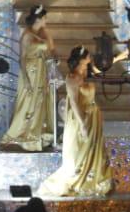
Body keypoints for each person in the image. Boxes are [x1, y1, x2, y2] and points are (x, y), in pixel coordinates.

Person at [36, 46, 115, 197]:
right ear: (81, 59)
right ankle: (76, 180)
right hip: (80, 117)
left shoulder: (88, 72)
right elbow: (73, 102)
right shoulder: (72, 78)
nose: (90, 57)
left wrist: (121, 57)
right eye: (87, 55)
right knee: (78, 151)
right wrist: (83, 123)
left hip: (93, 117)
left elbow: (104, 69)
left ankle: (94, 178)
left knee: (94, 149)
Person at [1, 4, 57, 152]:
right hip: (31, 73)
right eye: (44, 18)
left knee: (40, 103)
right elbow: (22, 58)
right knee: (28, 103)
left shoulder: (41, 33)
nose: (46, 21)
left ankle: (36, 135)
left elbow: (50, 49)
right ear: (38, 18)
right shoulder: (27, 35)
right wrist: (26, 81)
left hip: (41, 71)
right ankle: (18, 134)